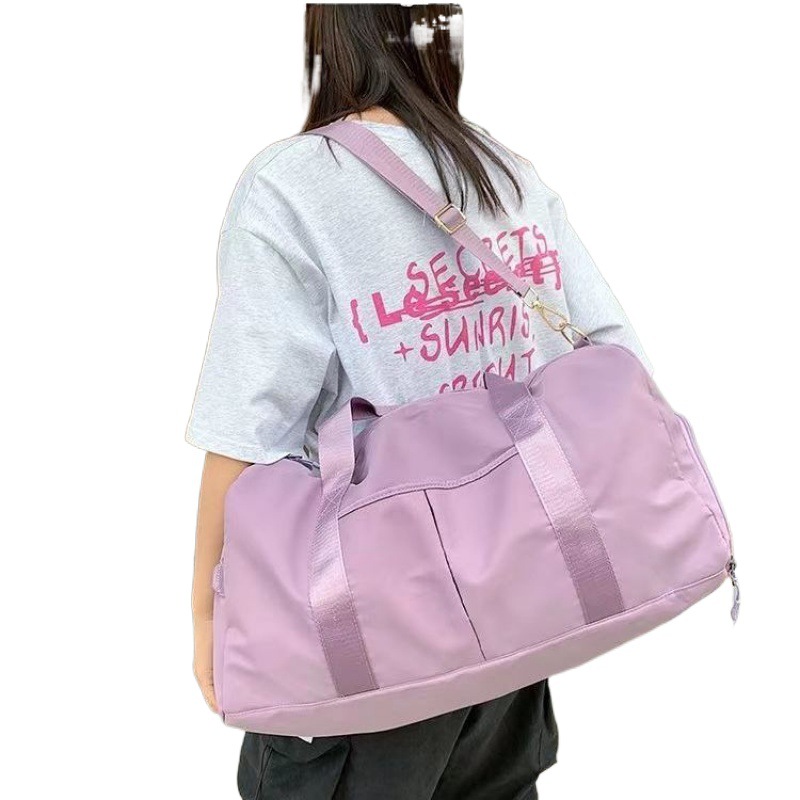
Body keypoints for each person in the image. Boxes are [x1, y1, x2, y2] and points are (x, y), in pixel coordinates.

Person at [185, 4, 653, 798]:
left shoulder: (293, 186)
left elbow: (249, 425)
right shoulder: (506, 173)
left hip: (365, 633)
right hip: (517, 614)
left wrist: (206, 610)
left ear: (331, 32)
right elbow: (609, 356)